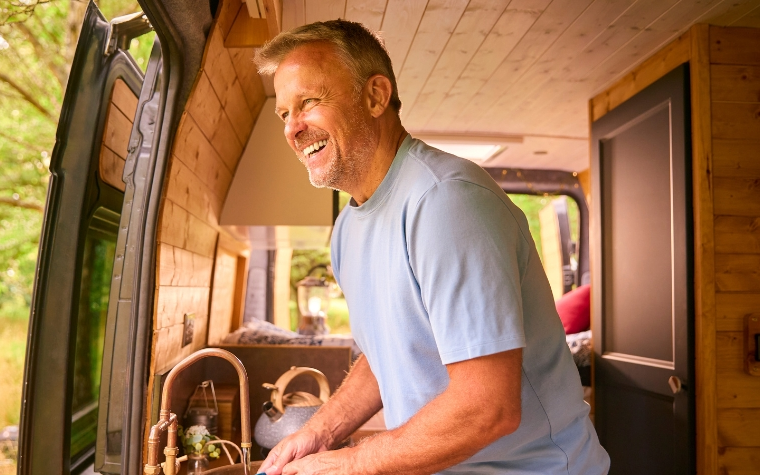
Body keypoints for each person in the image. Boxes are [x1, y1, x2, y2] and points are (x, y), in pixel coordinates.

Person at [253, 20, 610, 475]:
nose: (293, 128)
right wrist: (318, 432)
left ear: (376, 96)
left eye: (310, 102)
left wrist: (352, 462)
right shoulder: (347, 229)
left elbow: (488, 408)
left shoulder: (445, 201)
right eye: (284, 113)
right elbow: (387, 358)